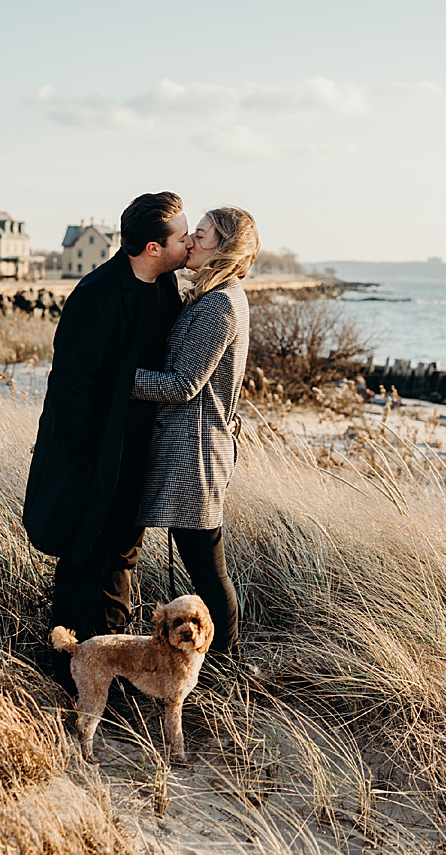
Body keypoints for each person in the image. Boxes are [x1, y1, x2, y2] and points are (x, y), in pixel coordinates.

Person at [23, 191, 190, 686]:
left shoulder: (168, 286)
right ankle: (64, 673)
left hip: (141, 456)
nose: (189, 243)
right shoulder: (96, 294)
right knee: (81, 563)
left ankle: (111, 678)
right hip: (95, 458)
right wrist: (81, 459)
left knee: (121, 562)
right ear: (152, 247)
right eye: (181, 237)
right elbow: (70, 385)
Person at [130, 206, 260, 654]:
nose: (190, 241)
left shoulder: (222, 303)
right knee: (203, 561)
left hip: (197, 451)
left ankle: (228, 663)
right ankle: (219, 662)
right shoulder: (210, 296)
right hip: (191, 446)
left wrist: (118, 379)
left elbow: (185, 385)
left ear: (223, 249)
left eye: (201, 236)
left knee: (206, 566)